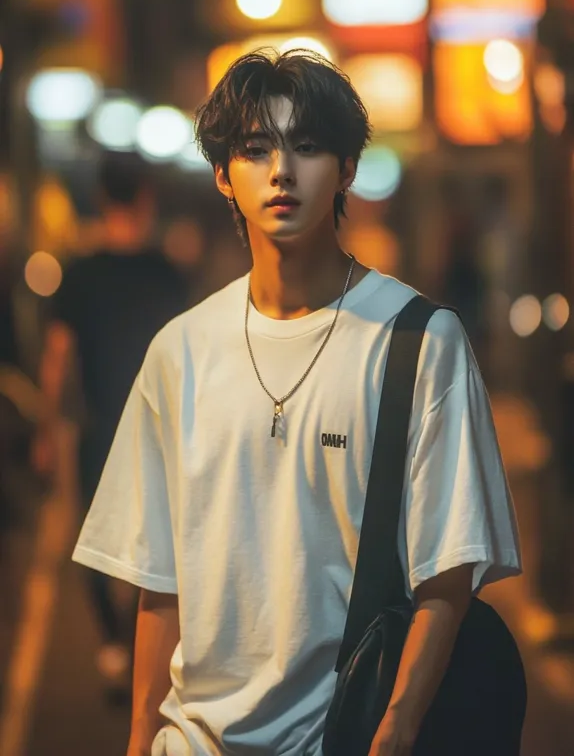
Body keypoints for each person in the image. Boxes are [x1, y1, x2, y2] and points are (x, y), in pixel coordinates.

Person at [72, 51, 521, 755]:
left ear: (345, 169)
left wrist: (397, 726)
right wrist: (138, 742)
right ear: (224, 174)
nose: (282, 170)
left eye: (307, 147)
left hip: (344, 735)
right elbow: (160, 583)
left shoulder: (420, 343)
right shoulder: (181, 351)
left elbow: (449, 571)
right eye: (255, 150)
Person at [38, 152, 188, 698]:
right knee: (157, 541)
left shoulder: (79, 274)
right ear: (145, 197)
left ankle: (111, 642)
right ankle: (135, 639)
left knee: (93, 537)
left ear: (102, 198)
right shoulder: (166, 273)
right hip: (161, 430)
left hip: (101, 427)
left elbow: (58, 358)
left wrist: (48, 429)